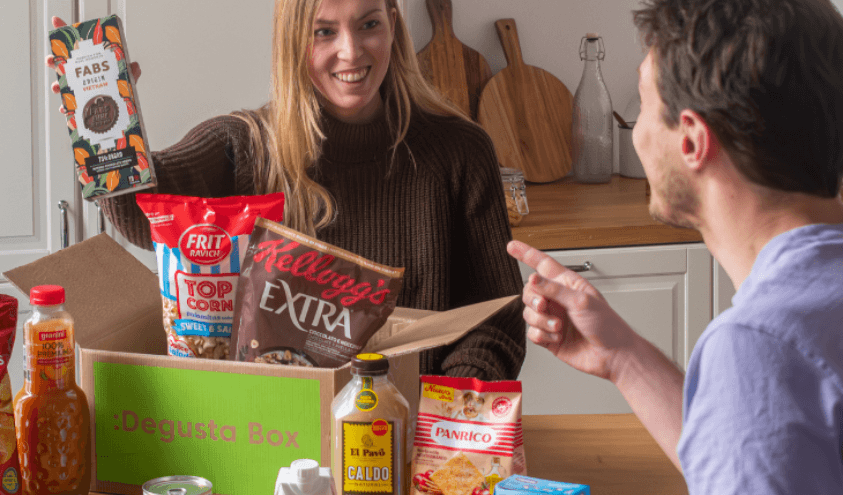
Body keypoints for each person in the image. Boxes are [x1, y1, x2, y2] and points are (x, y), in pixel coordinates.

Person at [47, 0, 525, 380]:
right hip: (276, 442)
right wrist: (104, 116)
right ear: (293, 41)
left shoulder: (460, 151)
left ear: (394, 27)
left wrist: (448, 409)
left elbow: (498, 319)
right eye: (324, 31)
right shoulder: (244, 145)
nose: (351, 51)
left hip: (412, 437)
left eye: (369, 24)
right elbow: (142, 216)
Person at [508, 0, 843, 495]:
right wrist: (624, 358)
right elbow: (748, 456)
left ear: (691, 140)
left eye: (644, 106)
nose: (640, 131)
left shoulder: (761, 346)